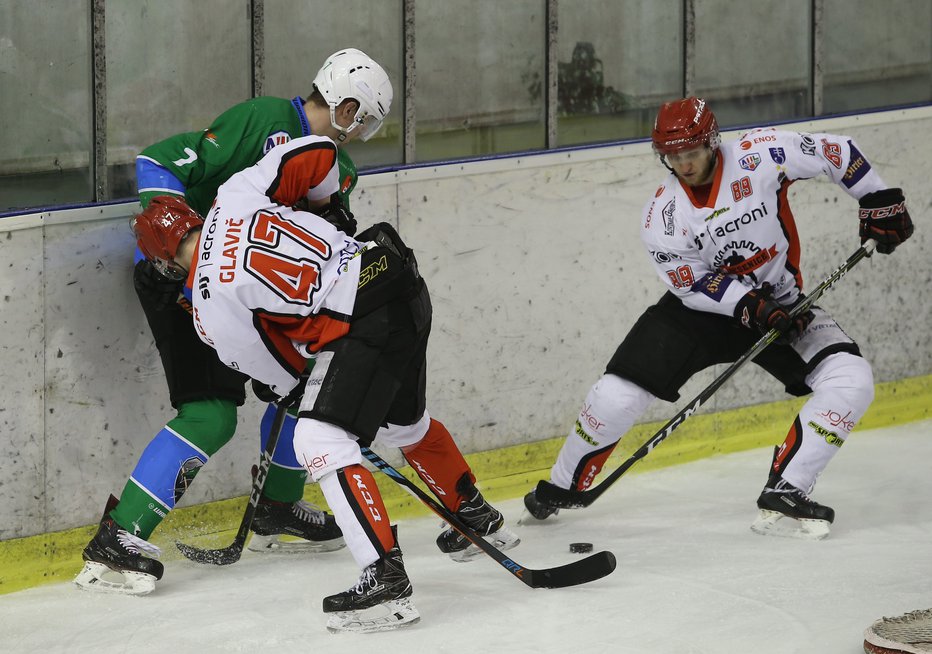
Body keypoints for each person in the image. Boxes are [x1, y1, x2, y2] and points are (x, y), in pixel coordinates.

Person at [128, 134, 519, 632]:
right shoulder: (233, 195)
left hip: (362, 322)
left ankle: (384, 580)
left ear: (165, 260)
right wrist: (326, 204)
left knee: (319, 436)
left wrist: (291, 385)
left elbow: (282, 371)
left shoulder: (209, 306)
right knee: (405, 422)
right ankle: (474, 516)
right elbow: (318, 152)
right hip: (398, 279)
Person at [75, 48, 393, 596]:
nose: (360, 133)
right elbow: (158, 162)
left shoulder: (340, 169)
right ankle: (119, 538)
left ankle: (277, 506)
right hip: (188, 286)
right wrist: (181, 251)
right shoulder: (265, 121)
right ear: (344, 106)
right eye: (361, 119)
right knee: (211, 414)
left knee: (307, 390)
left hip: (256, 297)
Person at [524, 96, 913, 540]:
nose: (683, 164)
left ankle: (788, 487)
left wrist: (878, 200)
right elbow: (688, 280)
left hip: (783, 307)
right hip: (699, 314)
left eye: (690, 152)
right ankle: (561, 487)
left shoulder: (759, 154)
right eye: (672, 156)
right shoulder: (662, 216)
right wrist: (748, 305)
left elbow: (835, 151)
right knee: (613, 397)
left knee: (851, 379)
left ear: (711, 142)